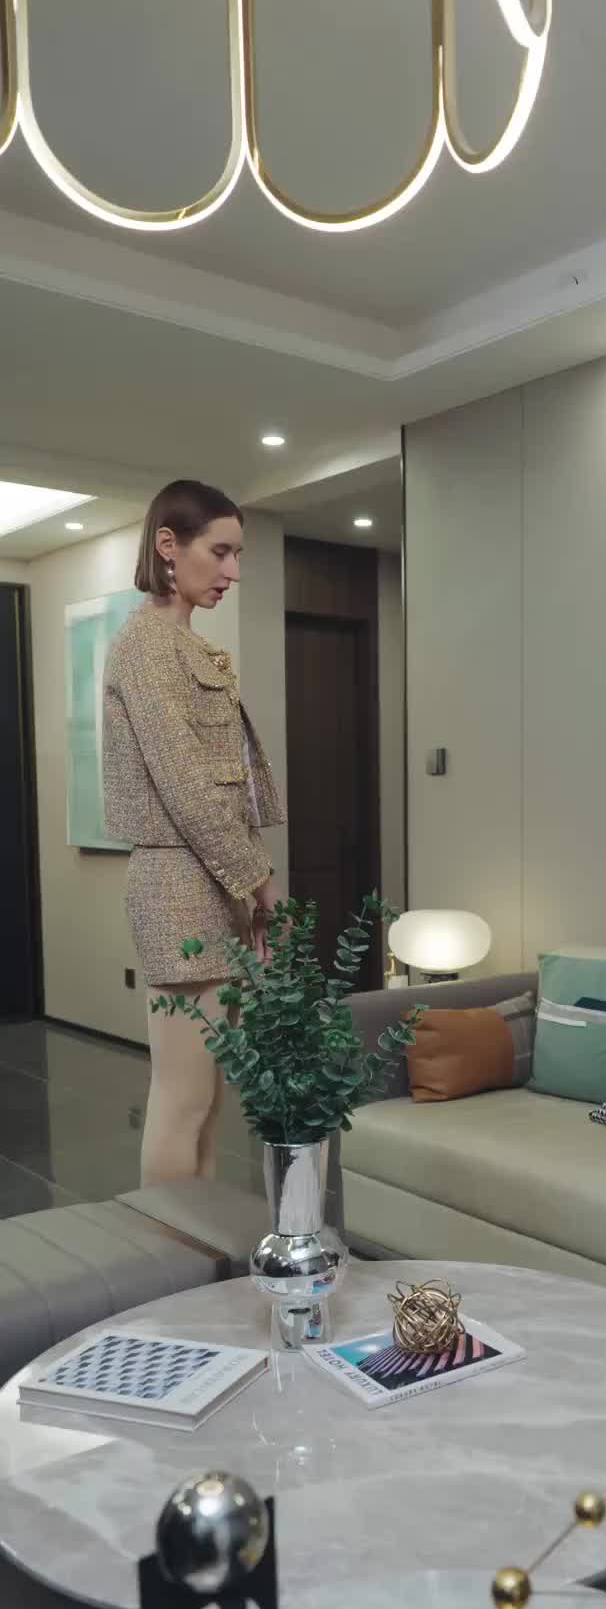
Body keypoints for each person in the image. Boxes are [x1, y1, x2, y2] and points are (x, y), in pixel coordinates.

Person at [103, 479, 285, 1186]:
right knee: (182, 1099)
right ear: (168, 546)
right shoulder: (147, 646)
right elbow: (187, 789)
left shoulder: (187, 646)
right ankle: (164, 1245)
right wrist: (263, 884)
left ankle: (195, 1239)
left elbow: (226, 794)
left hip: (214, 883)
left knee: (207, 1103)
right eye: (221, 552)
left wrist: (248, 890)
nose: (232, 571)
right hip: (178, 886)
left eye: (238, 555)